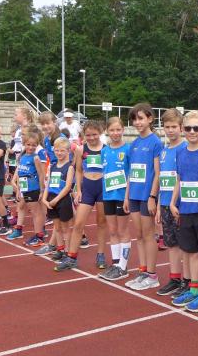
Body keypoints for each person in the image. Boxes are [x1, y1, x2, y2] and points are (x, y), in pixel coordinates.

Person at [170, 111, 198, 311]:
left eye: (196, 128)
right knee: (191, 252)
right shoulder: (180, 153)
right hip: (186, 209)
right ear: (183, 129)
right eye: (188, 128)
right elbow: (179, 179)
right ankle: (194, 289)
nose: (192, 131)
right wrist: (173, 202)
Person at [56, 121, 109, 271]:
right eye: (88, 135)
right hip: (87, 189)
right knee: (78, 223)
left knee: (101, 222)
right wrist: (79, 190)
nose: (91, 138)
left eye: (94, 134)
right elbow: (78, 170)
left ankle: (100, 255)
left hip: (102, 188)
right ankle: (71, 257)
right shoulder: (80, 149)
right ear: (83, 135)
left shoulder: (106, 149)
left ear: (100, 133)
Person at [123, 103, 162, 291]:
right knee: (138, 235)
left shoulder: (156, 142)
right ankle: (143, 270)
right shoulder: (134, 144)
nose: (137, 122)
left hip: (147, 196)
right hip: (134, 196)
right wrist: (126, 197)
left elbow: (158, 172)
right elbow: (131, 173)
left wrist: (153, 196)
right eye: (134, 119)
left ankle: (152, 275)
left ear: (150, 119)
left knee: (148, 235)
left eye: (141, 118)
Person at [155, 109, 189, 296]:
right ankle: (175, 278)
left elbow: (182, 178)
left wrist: (176, 203)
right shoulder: (164, 151)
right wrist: (159, 205)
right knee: (171, 244)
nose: (170, 130)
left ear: (181, 127)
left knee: (185, 245)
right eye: (167, 127)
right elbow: (162, 180)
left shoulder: (185, 149)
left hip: (181, 206)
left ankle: (188, 281)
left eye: (174, 126)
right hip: (165, 203)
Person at [99, 117, 133, 281]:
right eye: (112, 130)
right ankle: (116, 263)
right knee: (112, 231)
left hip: (122, 196)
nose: (115, 133)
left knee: (122, 231)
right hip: (108, 196)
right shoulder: (104, 151)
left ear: (123, 130)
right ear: (107, 131)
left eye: (118, 129)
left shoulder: (128, 149)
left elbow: (131, 174)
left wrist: (127, 197)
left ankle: (123, 267)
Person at [9, 131, 46, 244]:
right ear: (24, 144)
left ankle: (39, 236)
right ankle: (20, 230)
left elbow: (41, 175)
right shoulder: (23, 157)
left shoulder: (36, 158)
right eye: (28, 144)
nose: (30, 147)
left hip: (33, 188)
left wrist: (41, 190)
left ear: (37, 145)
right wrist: (18, 190)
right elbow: (21, 174)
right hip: (24, 188)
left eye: (33, 145)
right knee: (22, 206)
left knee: (36, 212)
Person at [42, 137, 76, 262]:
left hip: (62, 200)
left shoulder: (69, 167)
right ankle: (60, 249)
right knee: (57, 227)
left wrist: (56, 200)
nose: (59, 153)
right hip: (51, 199)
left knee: (66, 228)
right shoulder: (52, 166)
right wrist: (44, 199)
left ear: (68, 151)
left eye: (62, 150)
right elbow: (48, 184)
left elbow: (67, 187)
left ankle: (67, 251)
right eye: (57, 150)